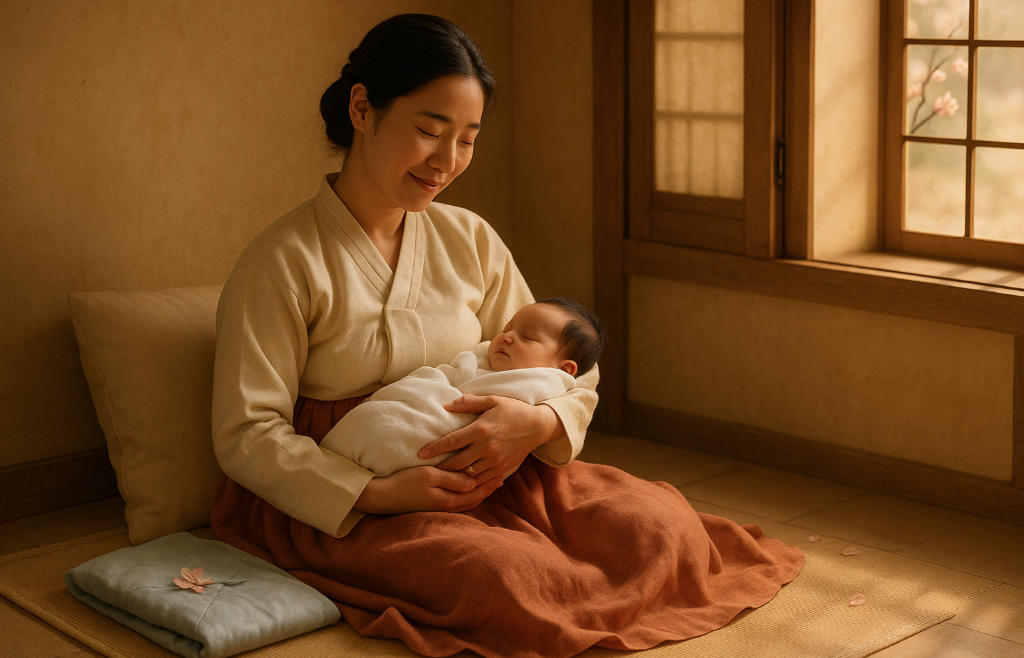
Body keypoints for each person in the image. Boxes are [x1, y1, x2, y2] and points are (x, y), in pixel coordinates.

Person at [210, 13, 804, 658]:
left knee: (661, 527)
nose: (448, 162)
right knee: (501, 578)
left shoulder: (468, 237)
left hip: (494, 467)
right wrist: (379, 493)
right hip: (354, 488)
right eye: (429, 131)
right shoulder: (281, 262)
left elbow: (565, 358)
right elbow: (246, 433)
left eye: (467, 139)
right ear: (362, 108)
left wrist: (536, 423)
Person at [321, 298, 604, 477]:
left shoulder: (542, 383)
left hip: (479, 455)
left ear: (563, 369)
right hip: (402, 411)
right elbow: (448, 377)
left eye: (527, 337)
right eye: (506, 329)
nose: (505, 337)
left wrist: (544, 420)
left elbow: (584, 379)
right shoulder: (485, 356)